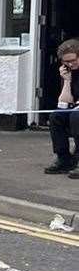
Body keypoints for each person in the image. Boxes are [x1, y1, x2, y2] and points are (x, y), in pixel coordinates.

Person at [45, 38, 79, 175]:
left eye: (73, 60)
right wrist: (67, 80)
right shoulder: (70, 72)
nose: (70, 64)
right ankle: (63, 158)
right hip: (76, 109)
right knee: (56, 116)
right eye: (66, 62)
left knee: (76, 117)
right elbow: (64, 102)